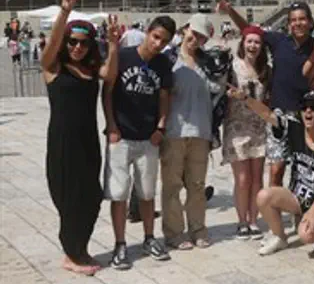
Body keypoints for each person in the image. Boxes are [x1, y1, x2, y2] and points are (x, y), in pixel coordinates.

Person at [41, 0, 119, 276]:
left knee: (91, 197)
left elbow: (110, 75)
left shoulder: (90, 70)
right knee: (69, 199)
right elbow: (51, 46)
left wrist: (113, 44)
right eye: (72, 42)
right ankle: (71, 254)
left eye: (83, 43)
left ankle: (80, 248)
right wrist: (65, 11)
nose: (77, 47)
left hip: (88, 142)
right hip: (63, 144)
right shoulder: (53, 68)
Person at [227, 89, 314, 255]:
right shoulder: (295, 129)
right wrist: (245, 98)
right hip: (297, 199)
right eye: (304, 107)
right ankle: (279, 237)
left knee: (306, 235)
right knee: (264, 196)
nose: (308, 111)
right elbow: (268, 114)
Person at [103, 15, 176, 270]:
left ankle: (149, 237)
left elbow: (165, 96)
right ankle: (120, 244)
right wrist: (111, 125)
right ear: (147, 32)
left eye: (163, 41)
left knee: (147, 192)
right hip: (121, 135)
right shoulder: (124, 56)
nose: (157, 44)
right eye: (155, 37)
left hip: (148, 137)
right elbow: (107, 91)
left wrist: (161, 126)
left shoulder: (163, 63)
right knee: (119, 193)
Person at [218, 0, 314, 187]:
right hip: (278, 116)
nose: (298, 23)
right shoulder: (279, 41)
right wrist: (230, 10)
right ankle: (273, 205)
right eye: (293, 20)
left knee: (302, 169)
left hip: (305, 116)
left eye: (302, 19)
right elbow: (248, 30)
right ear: (289, 24)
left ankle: (296, 205)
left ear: (310, 22)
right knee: (276, 170)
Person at [160, 14, 216, 250]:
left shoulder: (208, 64)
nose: (196, 39)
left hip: (201, 131)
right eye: (194, 33)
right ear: (184, 30)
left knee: (197, 186)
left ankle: (198, 229)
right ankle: (174, 233)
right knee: (172, 186)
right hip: (174, 132)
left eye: (202, 37)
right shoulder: (168, 60)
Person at [222, 25, 270, 239]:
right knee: (242, 179)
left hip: (259, 129)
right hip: (237, 128)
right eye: (249, 41)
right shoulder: (233, 67)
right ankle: (242, 221)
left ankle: (253, 220)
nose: (253, 46)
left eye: (257, 42)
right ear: (243, 43)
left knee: (257, 178)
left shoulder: (265, 70)